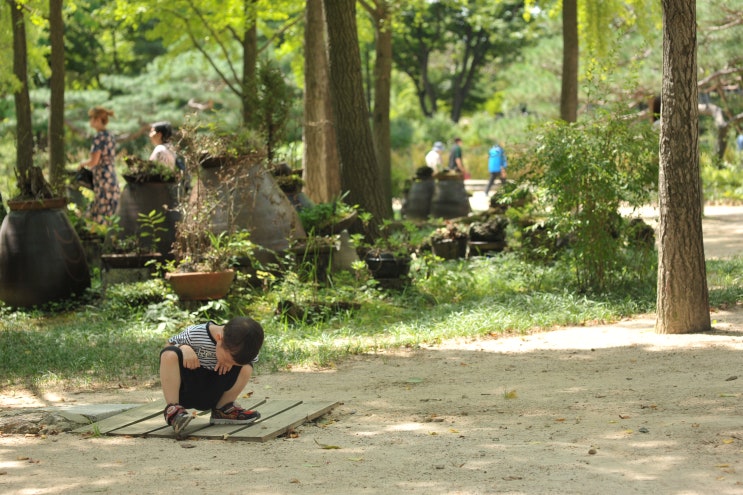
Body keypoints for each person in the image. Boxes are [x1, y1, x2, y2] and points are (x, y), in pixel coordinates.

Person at [160, 317, 265, 437]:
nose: (228, 364)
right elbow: (168, 345)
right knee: (169, 354)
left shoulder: (247, 349)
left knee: (246, 367)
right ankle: (174, 411)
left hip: (215, 390)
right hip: (187, 387)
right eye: (227, 359)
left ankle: (223, 409)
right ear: (219, 338)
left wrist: (232, 363)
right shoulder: (196, 333)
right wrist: (183, 347)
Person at [78, 106, 120, 224]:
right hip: (111, 175)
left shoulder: (99, 137)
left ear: (97, 119)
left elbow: (94, 161)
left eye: (91, 118)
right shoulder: (110, 135)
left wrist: (82, 164)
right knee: (111, 209)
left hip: (102, 176)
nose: (90, 120)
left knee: (101, 208)